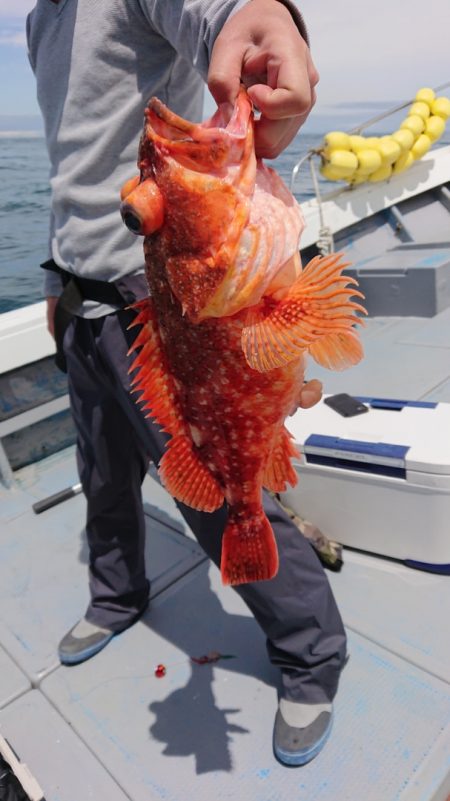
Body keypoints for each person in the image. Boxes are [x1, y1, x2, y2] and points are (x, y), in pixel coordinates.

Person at [26, 0, 347, 767]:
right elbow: (71, 166)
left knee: (216, 485)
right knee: (102, 473)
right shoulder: (39, 21)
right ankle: (117, 594)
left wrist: (262, 19)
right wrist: (57, 277)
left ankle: (312, 653)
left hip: (160, 301)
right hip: (79, 302)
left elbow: (217, 15)